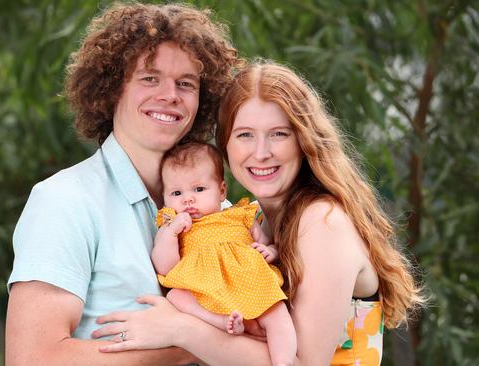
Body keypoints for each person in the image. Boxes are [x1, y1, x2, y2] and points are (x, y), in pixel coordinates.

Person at [92, 60, 424, 365]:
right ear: (225, 147)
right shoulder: (252, 220)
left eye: (279, 134)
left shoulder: (323, 223)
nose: (261, 153)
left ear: (304, 140)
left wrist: (180, 330)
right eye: (245, 135)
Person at [4, 2, 238, 365]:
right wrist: (187, 339)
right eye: (150, 78)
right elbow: (33, 358)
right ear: (112, 89)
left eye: (186, 83)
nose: (170, 94)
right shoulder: (63, 201)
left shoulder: (218, 210)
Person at [152, 142, 296, 365]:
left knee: (278, 315)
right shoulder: (172, 226)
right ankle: (221, 321)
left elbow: (265, 242)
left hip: (248, 280)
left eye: (198, 189)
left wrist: (269, 251)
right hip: (206, 288)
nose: (187, 199)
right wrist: (171, 232)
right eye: (176, 192)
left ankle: (283, 362)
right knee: (174, 296)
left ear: (221, 191)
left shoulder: (240, 215)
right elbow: (165, 266)